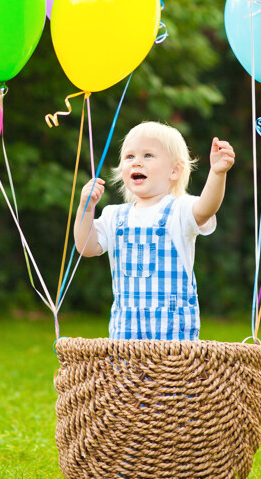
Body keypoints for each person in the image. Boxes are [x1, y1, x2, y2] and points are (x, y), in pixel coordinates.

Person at [73, 121, 235, 340]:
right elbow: (86, 247)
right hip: (125, 333)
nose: (137, 162)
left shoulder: (179, 209)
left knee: (171, 375)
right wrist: (86, 208)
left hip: (173, 334)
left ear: (174, 171)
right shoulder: (114, 216)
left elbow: (206, 208)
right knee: (125, 376)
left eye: (148, 155)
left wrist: (217, 173)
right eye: (129, 157)